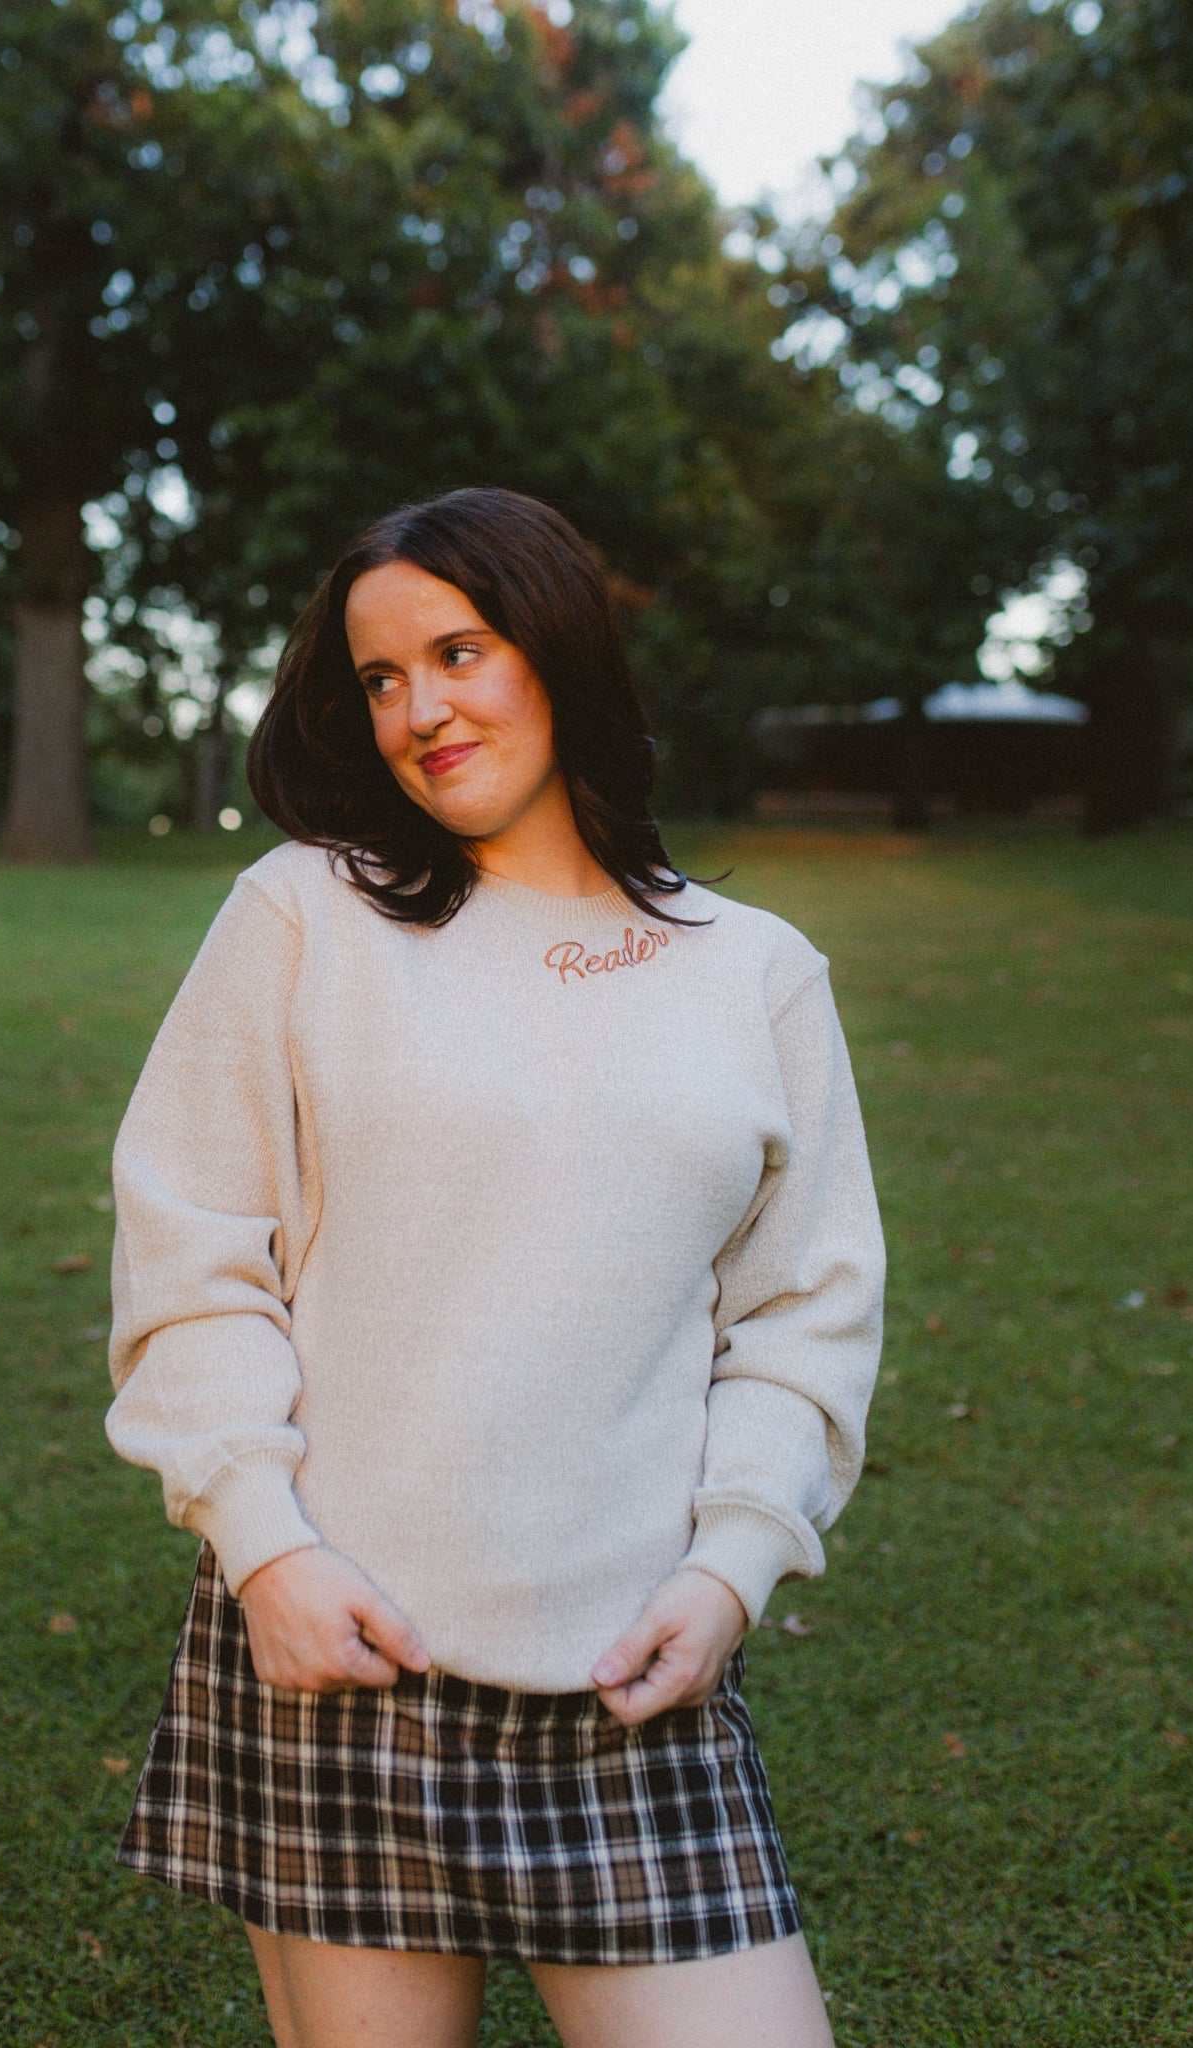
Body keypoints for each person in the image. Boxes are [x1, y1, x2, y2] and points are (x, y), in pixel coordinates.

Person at [104, 485, 887, 2048]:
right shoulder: (305, 914)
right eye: (380, 678)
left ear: (556, 647)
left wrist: (731, 1566)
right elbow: (191, 1248)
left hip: (629, 1676)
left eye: (457, 653)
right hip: (338, 1642)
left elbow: (803, 1316)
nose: (419, 712)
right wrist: (264, 1546)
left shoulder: (754, 975)